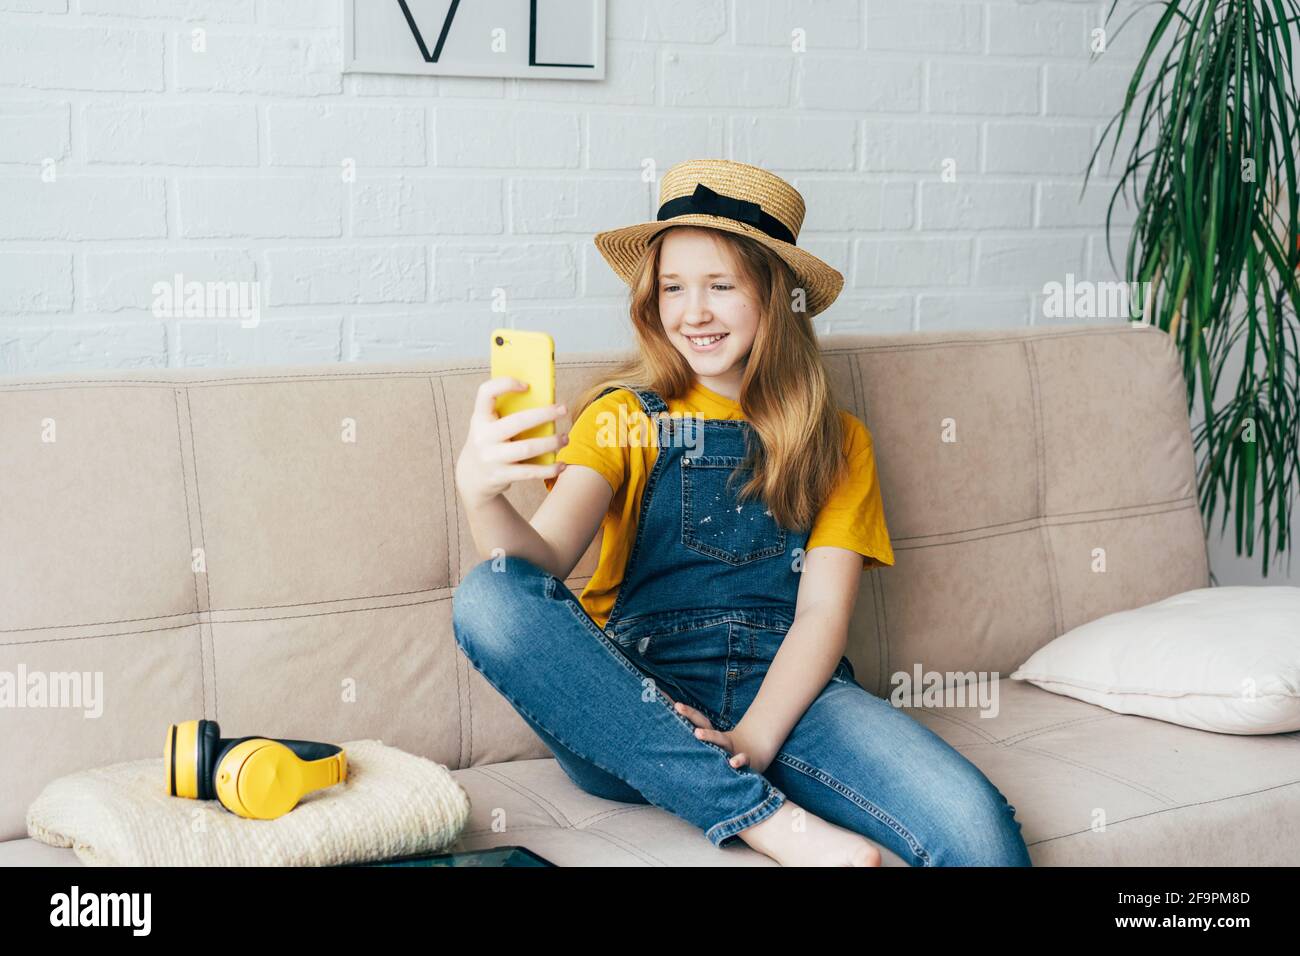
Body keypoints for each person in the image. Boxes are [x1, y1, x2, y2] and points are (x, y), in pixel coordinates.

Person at [452, 159, 1031, 867]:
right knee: (489, 590)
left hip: (787, 699)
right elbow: (535, 568)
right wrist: (482, 493)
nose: (692, 311)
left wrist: (754, 739)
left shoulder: (838, 443)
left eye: (721, 285)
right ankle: (765, 822)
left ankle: (736, 789)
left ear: (778, 296)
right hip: (634, 705)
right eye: (673, 288)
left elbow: (821, 617)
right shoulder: (622, 417)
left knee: (979, 832)